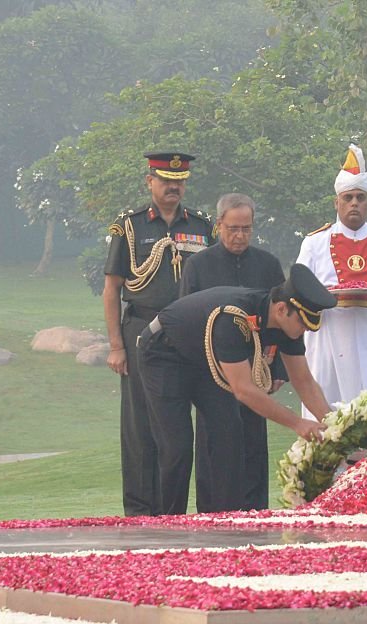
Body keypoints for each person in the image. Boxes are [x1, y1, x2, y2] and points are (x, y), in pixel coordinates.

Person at [138, 264, 336, 515]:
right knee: (177, 445)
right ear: (281, 308)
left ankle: (223, 519)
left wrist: (332, 425)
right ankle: (166, 522)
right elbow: (244, 390)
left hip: (206, 360)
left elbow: (304, 381)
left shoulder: (288, 325)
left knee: (229, 435)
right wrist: (298, 423)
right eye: (303, 322)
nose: (305, 329)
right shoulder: (234, 317)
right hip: (165, 353)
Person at [102, 151, 214, 516]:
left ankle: (173, 509)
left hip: (187, 332)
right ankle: (138, 511)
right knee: (139, 424)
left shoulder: (201, 226)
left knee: (177, 425)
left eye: (179, 181)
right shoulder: (129, 226)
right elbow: (112, 288)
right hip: (140, 330)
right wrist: (116, 345)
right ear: (149, 182)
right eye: (166, 180)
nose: (173, 187)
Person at [179, 193, 286, 511]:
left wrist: (277, 369)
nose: (239, 236)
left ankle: (255, 514)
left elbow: (281, 319)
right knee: (216, 447)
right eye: (233, 228)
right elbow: (186, 324)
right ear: (219, 226)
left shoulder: (268, 265)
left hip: (255, 370)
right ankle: (214, 515)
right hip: (212, 374)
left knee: (253, 444)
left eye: (246, 229)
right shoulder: (198, 266)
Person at [297, 144, 367, 412]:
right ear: (337, 202)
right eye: (348, 198)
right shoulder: (314, 243)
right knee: (327, 420)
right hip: (329, 338)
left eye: (360, 197)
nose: (354, 203)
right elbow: (298, 292)